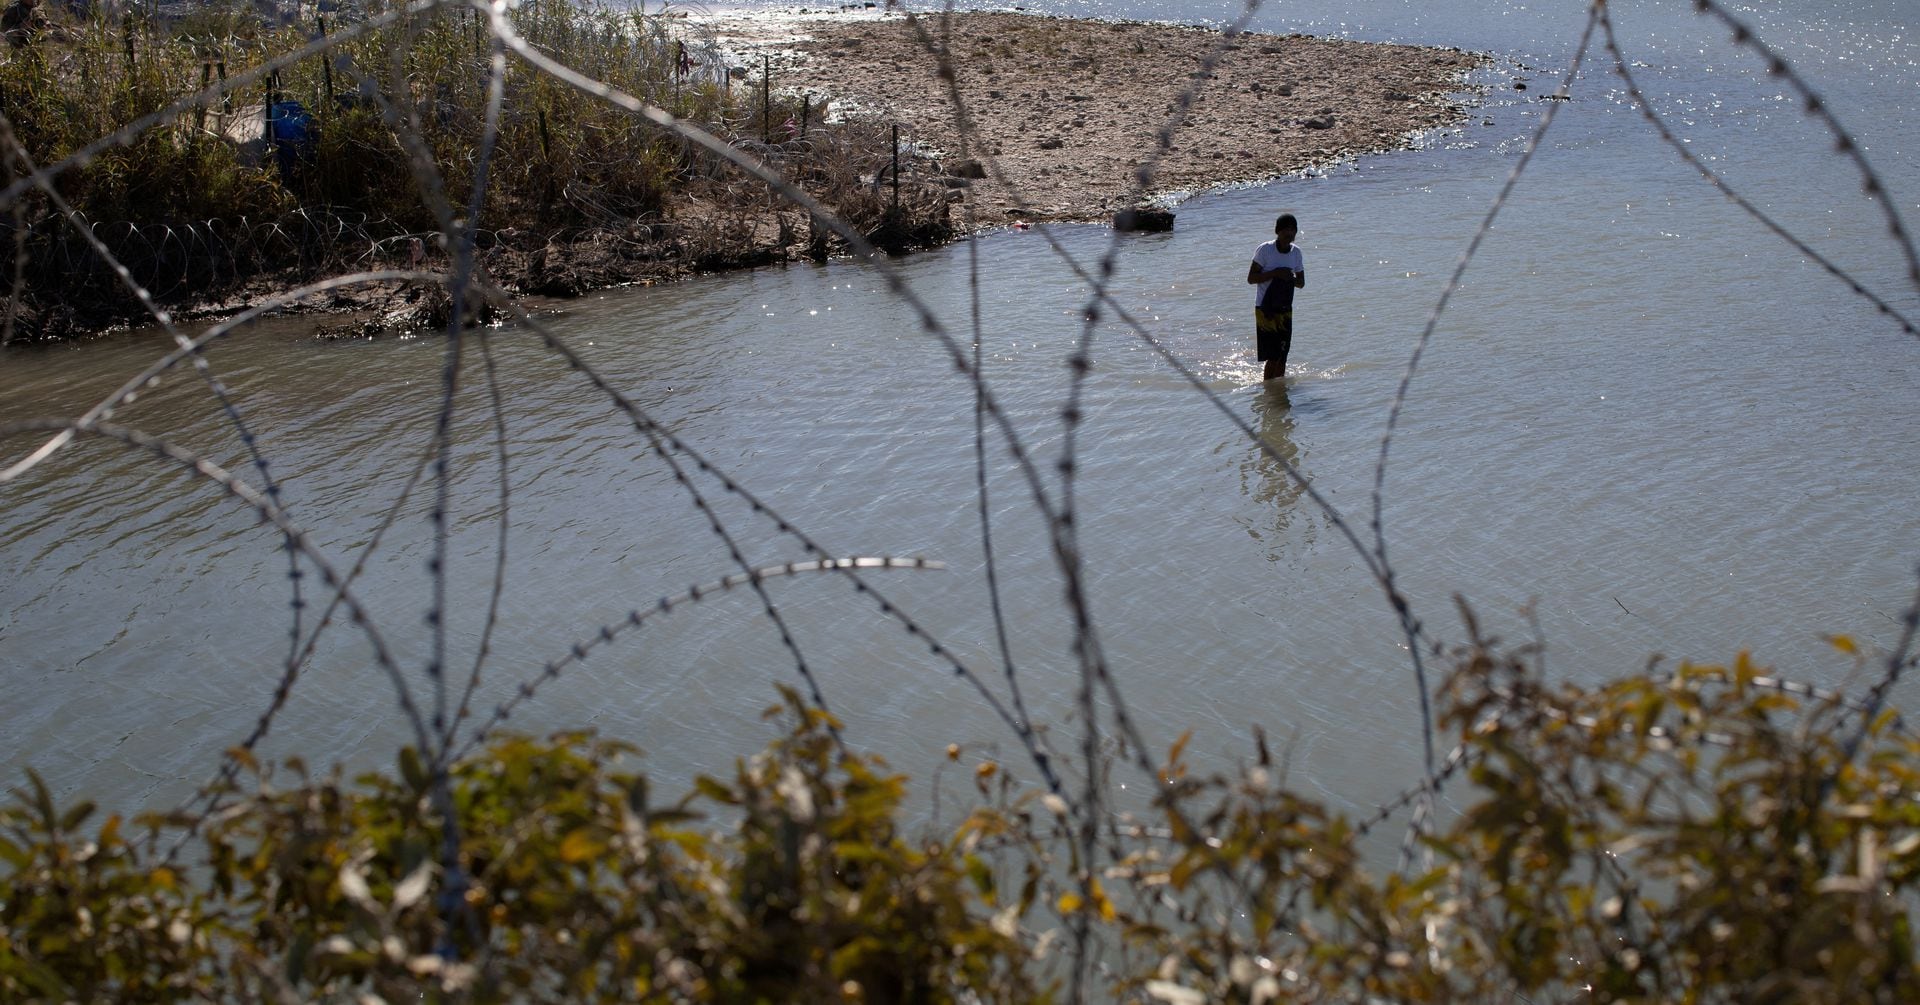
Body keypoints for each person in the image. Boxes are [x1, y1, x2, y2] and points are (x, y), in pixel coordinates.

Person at [1246, 213, 1306, 382]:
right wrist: (1275, 273)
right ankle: (1267, 387)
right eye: (1287, 230)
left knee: (1283, 355)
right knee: (1272, 356)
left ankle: (1278, 392)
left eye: (1293, 230)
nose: (1291, 234)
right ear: (1278, 231)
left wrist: (1291, 278)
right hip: (1265, 309)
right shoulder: (1265, 249)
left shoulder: (1296, 253)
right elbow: (1251, 278)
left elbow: (1301, 283)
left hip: (1285, 309)